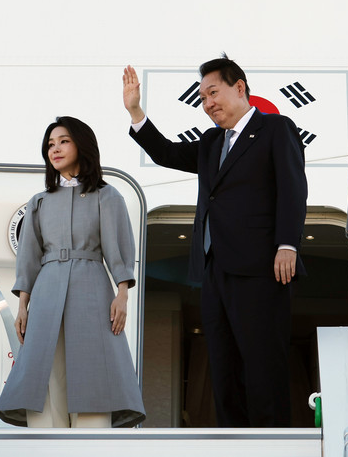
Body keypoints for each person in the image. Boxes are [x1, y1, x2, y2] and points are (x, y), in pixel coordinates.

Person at [122, 56, 307, 428]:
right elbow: (166, 152)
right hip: (214, 268)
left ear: (239, 87)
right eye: (203, 98)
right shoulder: (210, 141)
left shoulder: (275, 128)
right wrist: (136, 111)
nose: (208, 103)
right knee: (223, 364)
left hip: (261, 267)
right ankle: (233, 442)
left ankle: (271, 443)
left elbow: (292, 187)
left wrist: (287, 243)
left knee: (262, 362)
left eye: (213, 93)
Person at [0, 116, 146, 428]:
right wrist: (22, 306)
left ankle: (91, 440)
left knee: (93, 366)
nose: (55, 149)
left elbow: (118, 249)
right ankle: (47, 440)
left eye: (64, 141)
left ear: (81, 145)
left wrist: (122, 295)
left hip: (92, 287)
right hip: (46, 291)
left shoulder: (107, 195)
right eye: (50, 144)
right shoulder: (39, 202)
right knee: (46, 368)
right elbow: (29, 257)